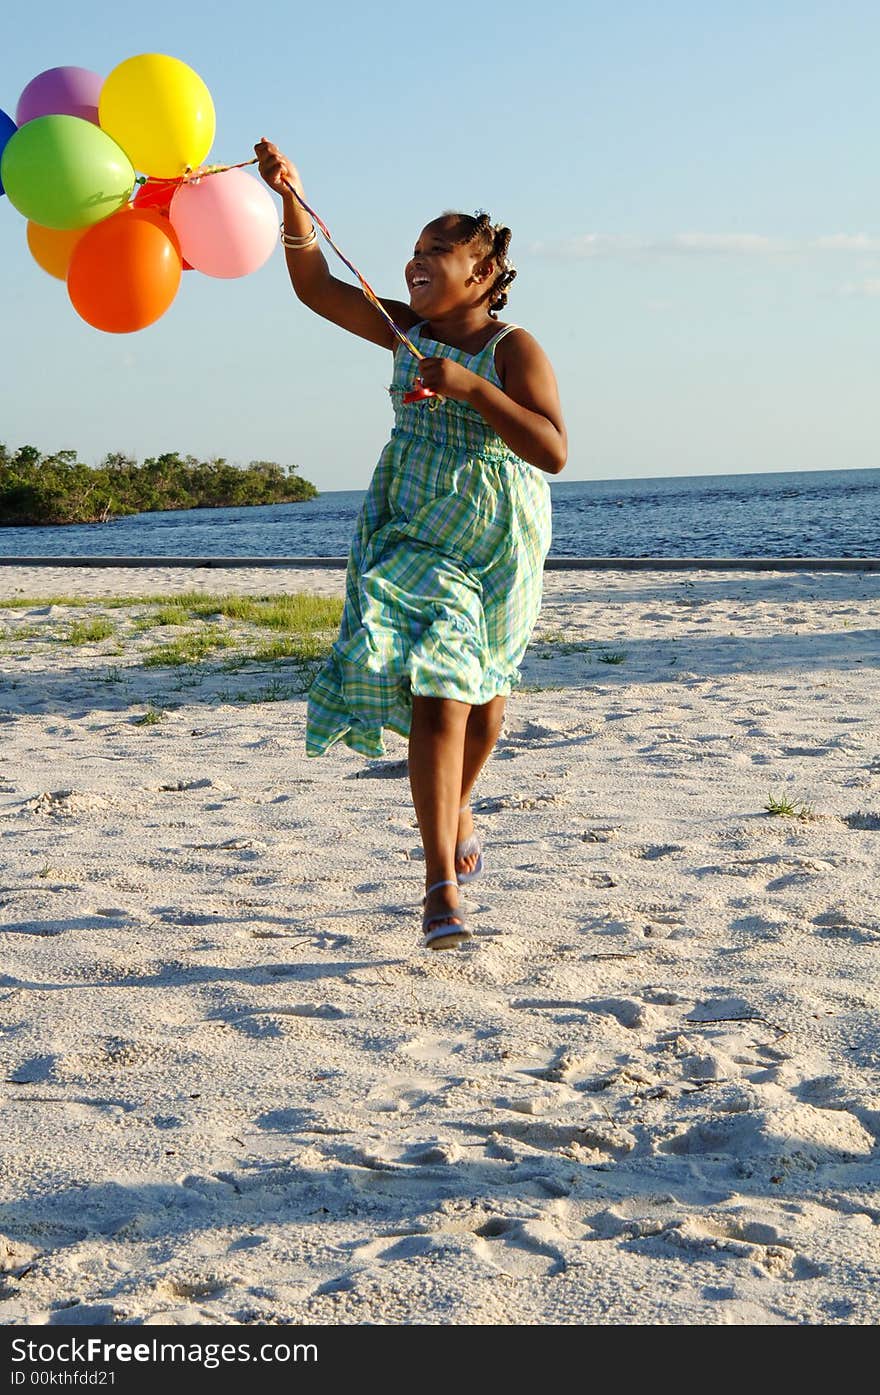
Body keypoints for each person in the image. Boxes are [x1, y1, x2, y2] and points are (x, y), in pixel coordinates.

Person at [255, 139, 567, 950]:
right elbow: (315, 286)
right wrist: (290, 195)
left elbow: (554, 450)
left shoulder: (512, 348)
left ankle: (461, 806)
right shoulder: (400, 329)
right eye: (415, 248)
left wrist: (466, 383)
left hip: (499, 544)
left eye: (438, 250)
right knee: (441, 683)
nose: (417, 260)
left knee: (488, 709)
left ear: (484, 274)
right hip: (414, 535)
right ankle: (440, 886)